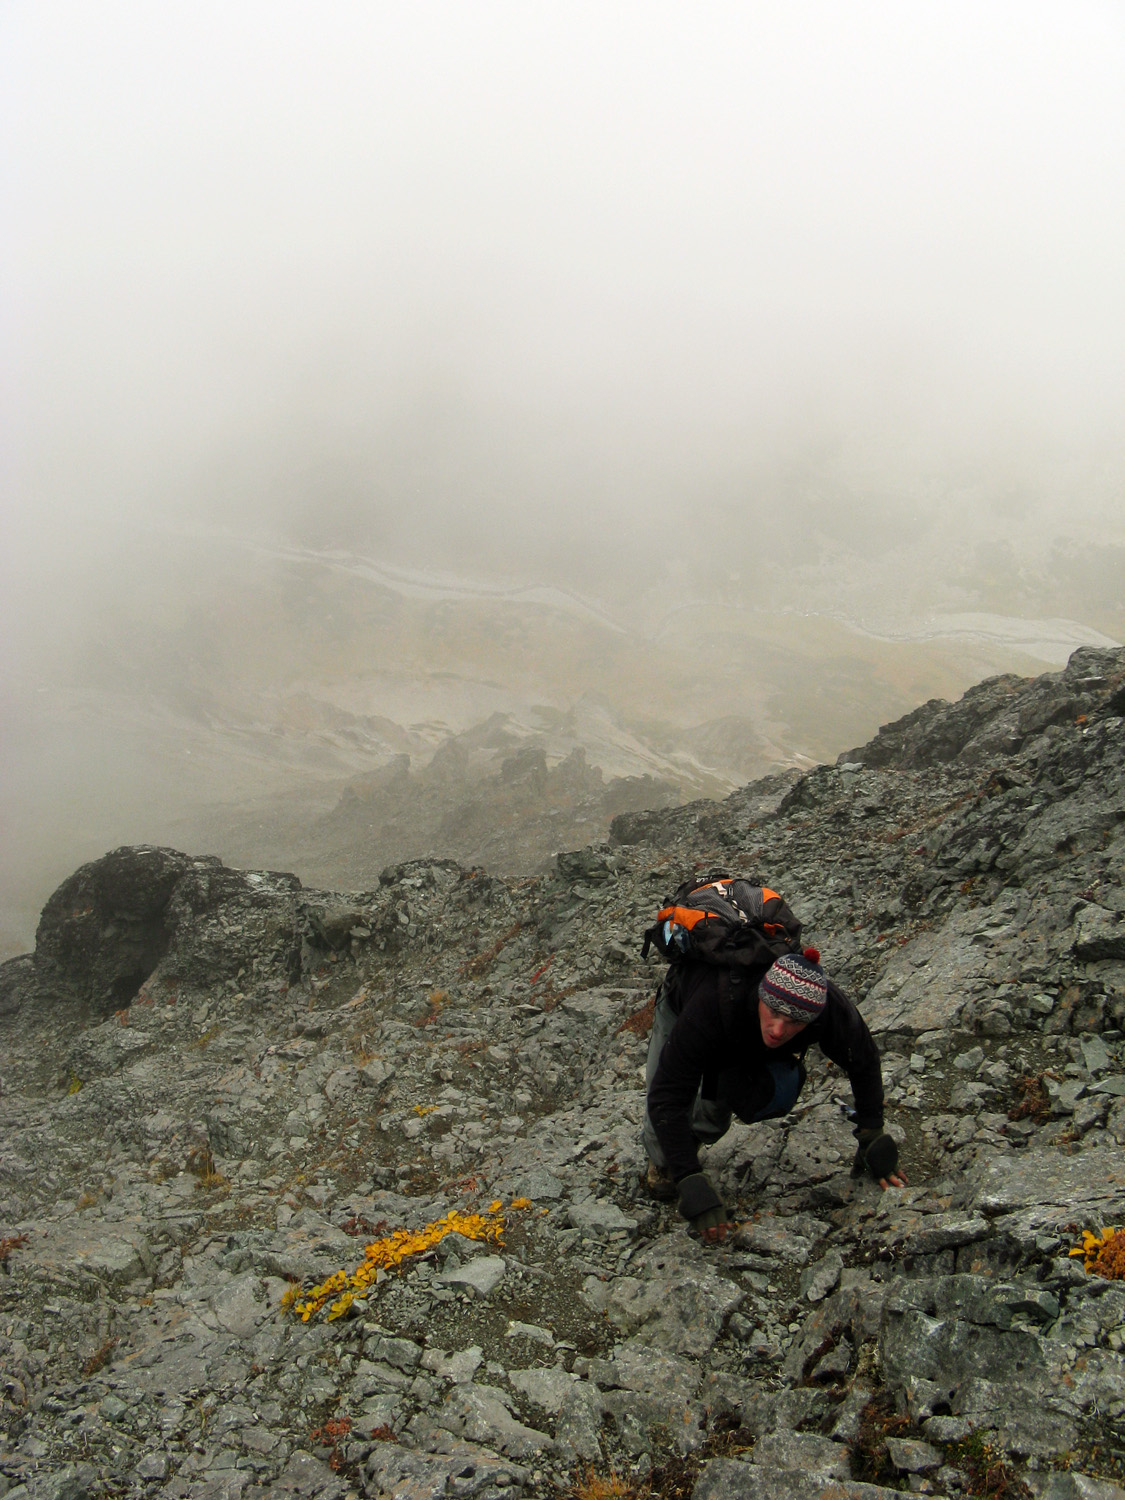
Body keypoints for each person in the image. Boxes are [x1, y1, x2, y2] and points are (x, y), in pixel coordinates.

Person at [643, 949, 907, 1242]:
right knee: (665, 1129)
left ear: (812, 1018)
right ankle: (665, 1164)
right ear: (761, 996)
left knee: (719, 1114)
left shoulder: (826, 1008)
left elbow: (863, 1059)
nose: (779, 1029)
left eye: (795, 1021)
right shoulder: (710, 1006)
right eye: (775, 1012)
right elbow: (666, 1096)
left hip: (738, 1031)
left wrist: (872, 1130)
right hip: (683, 1006)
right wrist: (688, 1176)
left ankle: (696, 1133)